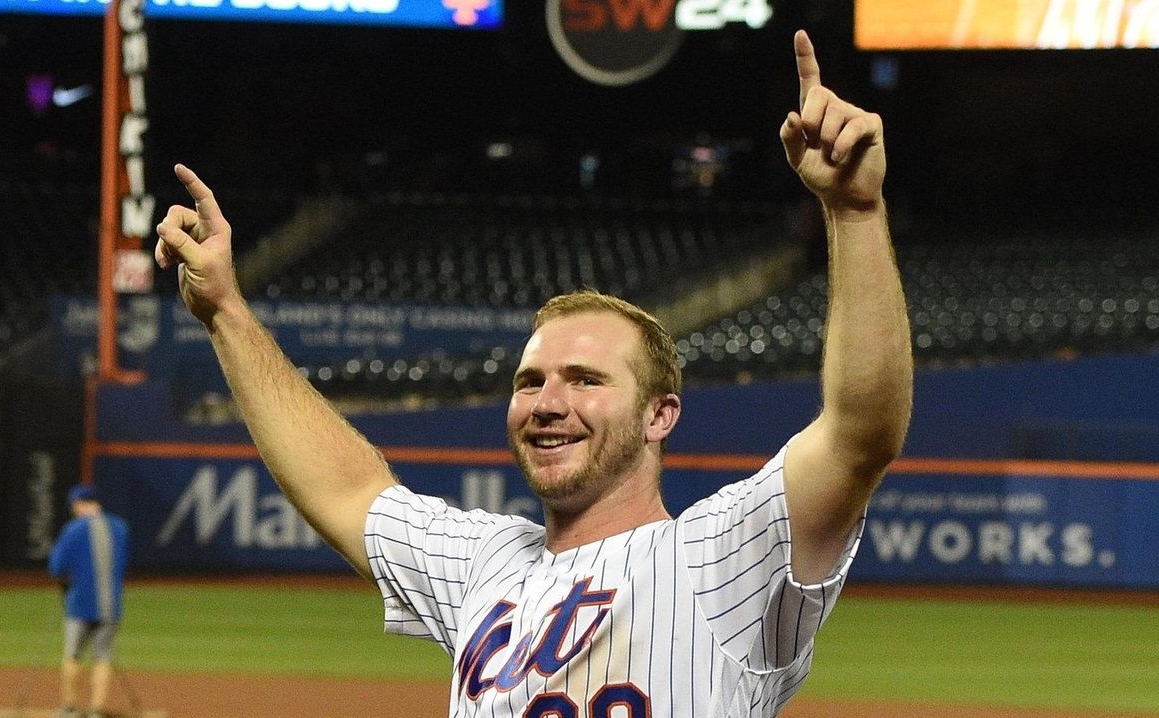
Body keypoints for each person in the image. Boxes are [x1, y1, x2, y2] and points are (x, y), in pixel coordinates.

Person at [155, 30, 912, 717]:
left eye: (586, 379)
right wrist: (225, 309)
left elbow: (860, 433)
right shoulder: (486, 566)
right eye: (530, 381)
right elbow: (345, 486)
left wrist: (851, 211)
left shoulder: (722, 558)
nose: (549, 402)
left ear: (660, 415)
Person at [48, 484, 130, 718]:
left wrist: (65, 582)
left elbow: (56, 566)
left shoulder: (73, 529)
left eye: (75, 505)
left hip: (79, 604)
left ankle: (70, 709)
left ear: (81, 504)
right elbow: (122, 564)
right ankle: (96, 710)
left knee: (72, 655)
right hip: (111, 604)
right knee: (103, 657)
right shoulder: (120, 528)